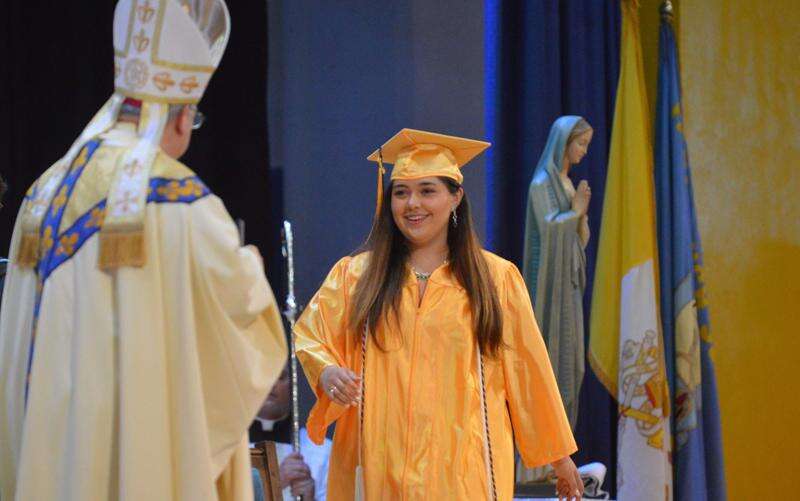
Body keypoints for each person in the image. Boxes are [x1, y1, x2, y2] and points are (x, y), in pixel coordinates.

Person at [0, 1, 287, 500]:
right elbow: (236, 323)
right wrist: (251, 268)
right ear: (179, 117)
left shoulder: (41, 194)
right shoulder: (181, 201)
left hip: (53, 462)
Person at [294, 129, 584, 500]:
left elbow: (528, 368)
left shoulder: (494, 280)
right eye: (401, 192)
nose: (412, 204)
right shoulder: (356, 276)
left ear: (455, 197)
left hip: (462, 467)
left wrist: (560, 458)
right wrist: (327, 370)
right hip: (379, 463)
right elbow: (311, 334)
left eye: (427, 190)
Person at [522, 116, 593, 431]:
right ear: (564, 143)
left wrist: (580, 218)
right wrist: (575, 212)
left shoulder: (565, 183)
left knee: (574, 366)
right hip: (551, 289)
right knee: (555, 365)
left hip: (570, 285)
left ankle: (564, 444)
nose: (584, 151)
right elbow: (548, 229)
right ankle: (546, 447)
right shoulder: (542, 184)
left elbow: (578, 239)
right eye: (581, 143)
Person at [250, 365, 332, 501]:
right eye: (264, 375)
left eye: (280, 376)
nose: (272, 383)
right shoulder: (229, 450)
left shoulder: (322, 449)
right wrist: (274, 483)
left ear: (293, 384)